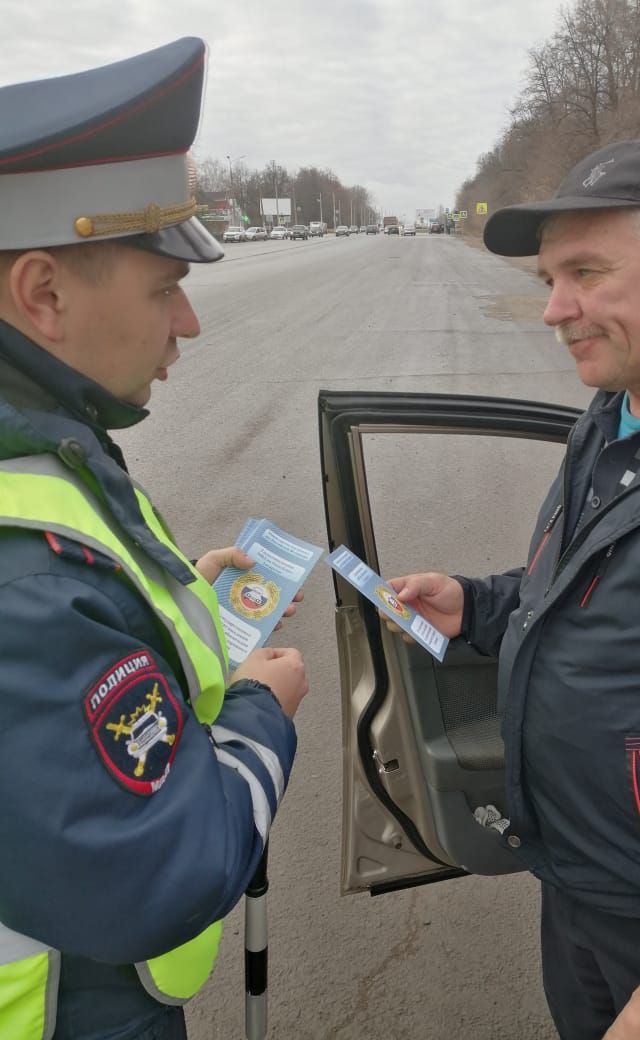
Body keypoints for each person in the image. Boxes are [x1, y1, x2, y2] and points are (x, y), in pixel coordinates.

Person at [389, 138, 640, 1039]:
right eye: (549, 279)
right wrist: (480, 604)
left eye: (586, 274)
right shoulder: (613, 411)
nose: (555, 310)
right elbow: (585, 588)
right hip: (576, 888)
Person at [0, 39, 309, 1040]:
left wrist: (180, 609)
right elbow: (165, 867)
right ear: (42, 293)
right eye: (162, 285)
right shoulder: (20, 575)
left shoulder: (44, 440)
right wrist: (263, 709)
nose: (188, 321)